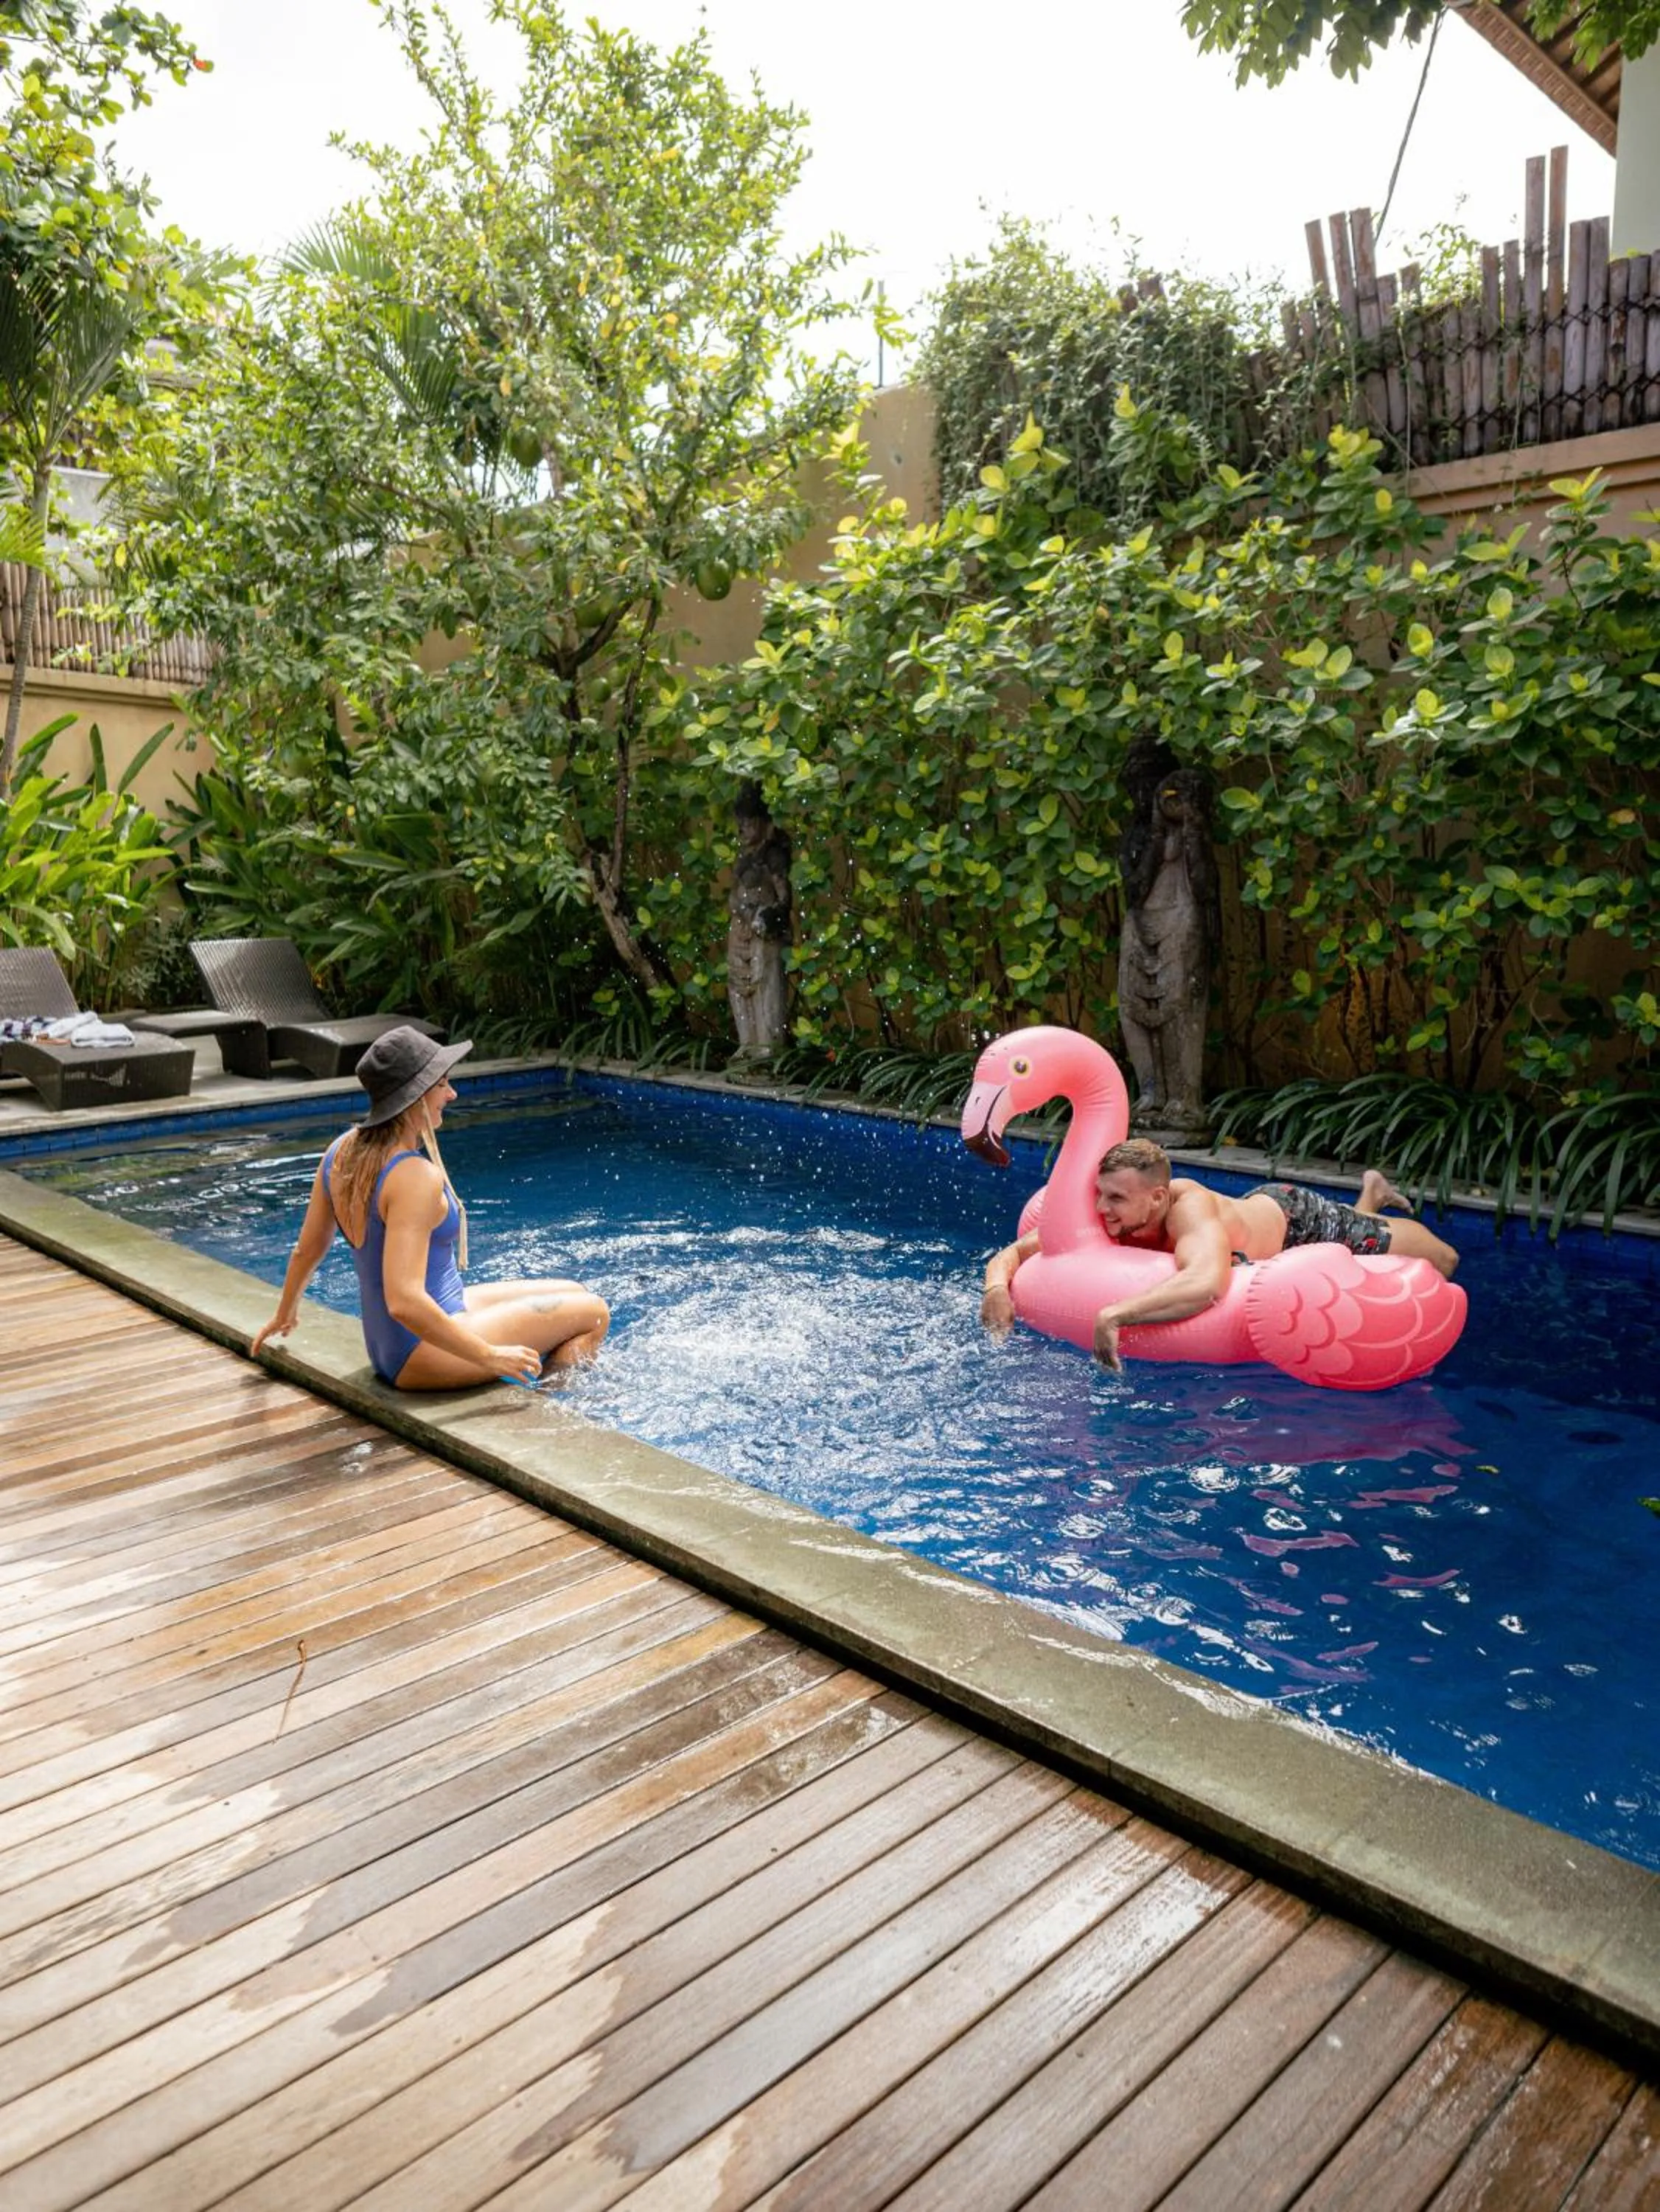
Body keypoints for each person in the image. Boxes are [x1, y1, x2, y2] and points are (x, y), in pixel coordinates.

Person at [251, 1026, 609, 1389]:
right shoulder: (413, 1177)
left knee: (576, 1292)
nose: (452, 1094)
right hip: (422, 1354)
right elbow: (403, 1301)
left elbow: (308, 1248)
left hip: (390, 1345)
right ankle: (546, 1408)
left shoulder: (341, 1151)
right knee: (595, 1314)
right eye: (442, 1084)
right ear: (415, 1096)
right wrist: (490, 1355)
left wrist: (285, 1312)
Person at [980, 1135, 1457, 1372]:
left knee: (1444, 1261)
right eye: (1101, 1194)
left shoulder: (1188, 1212)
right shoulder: (1106, 1211)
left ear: (1158, 1198)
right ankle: (1369, 1195)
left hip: (1294, 1222)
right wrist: (997, 1288)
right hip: (1250, 1234)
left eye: (1117, 1199)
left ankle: (1370, 1196)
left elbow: (1207, 1284)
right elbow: (1015, 1252)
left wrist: (1114, 1314)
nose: (1102, 1208)